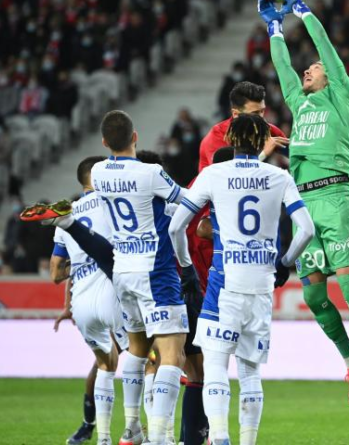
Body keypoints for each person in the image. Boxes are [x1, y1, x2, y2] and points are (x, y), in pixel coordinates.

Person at [261, 0, 349, 411]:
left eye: (314, 67)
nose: (307, 70)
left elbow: (326, 48)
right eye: (306, 67)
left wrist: (302, 11)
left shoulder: (341, 97)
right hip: (304, 207)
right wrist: (274, 27)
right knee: (312, 295)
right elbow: (282, 70)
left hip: (336, 200)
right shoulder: (300, 101)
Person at [168, 114, 314, 445]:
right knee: (250, 372)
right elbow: (307, 229)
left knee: (216, 366)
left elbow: (176, 227)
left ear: (231, 139)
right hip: (261, 286)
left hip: (224, 285)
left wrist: (187, 267)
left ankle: (219, 438)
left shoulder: (213, 174)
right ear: (264, 140)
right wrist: (285, 262)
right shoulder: (279, 176)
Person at [92, 110, 190, 445]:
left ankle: (131, 427)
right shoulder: (150, 173)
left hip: (122, 270)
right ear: (136, 138)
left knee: (136, 349)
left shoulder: (98, 171)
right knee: (172, 355)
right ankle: (161, 437)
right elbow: (185, 200)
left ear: (105, 143)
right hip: (155, 271)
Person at [47, 156, 129, 445]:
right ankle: (144, 430)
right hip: (116, 293)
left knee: (105, 364)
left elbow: (56, 272)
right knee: (147, 359)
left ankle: (100, 436)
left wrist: (79, 267)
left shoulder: (65, 215)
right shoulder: (114, 202)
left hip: (82, 303)